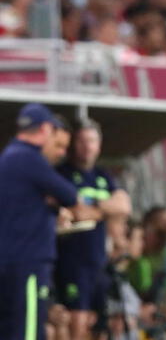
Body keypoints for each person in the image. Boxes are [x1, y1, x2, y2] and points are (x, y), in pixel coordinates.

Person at [0, 103, 94, 340]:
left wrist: (49, 205)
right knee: (28, 330)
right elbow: (72, 196)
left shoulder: (10, 156)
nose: (61, 152)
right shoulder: (28, 157)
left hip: (12, 261)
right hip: (27, 263)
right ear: (44, 129)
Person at [55, 118, 132, 340]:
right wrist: (106, 210)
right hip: (71, 261)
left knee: (99, 325)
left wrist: (93, 210)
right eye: (82, 141)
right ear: (72, 144)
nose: (87, 146)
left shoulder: (102, 176)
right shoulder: (62, 174)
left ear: (98, 145)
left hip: (99, 262)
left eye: (92, 141)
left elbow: (123, 205)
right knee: (76, 322)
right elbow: (75, 212)